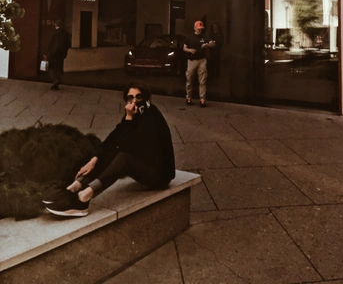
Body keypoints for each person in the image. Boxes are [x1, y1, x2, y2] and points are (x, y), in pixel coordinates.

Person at [44, 83, 175, 217]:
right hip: (144, 164)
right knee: (110, 150)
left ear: (146, 98)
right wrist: (93, 160)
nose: (134, 101)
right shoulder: (137, 113)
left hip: (159, 176)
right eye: (130, 97)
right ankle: (74, 188)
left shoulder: (151, 117)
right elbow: (114, 138)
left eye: (138, 97)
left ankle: (84, 197)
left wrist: (129, 118)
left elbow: (127, 145)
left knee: (122, 156)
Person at [183, 20, 215, 107]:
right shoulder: (189, 37)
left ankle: (202, 99)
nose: (200, 30)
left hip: (202, 60)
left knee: (202, 80)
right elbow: (184, 48)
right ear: (194, 28)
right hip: (192, 60)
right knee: (189, 79)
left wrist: (208, 45)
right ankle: (188, 97)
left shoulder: (205, 36)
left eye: (201, 29)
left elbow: (212, 43)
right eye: (198, 29)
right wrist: (190, 50)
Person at [44, 19, 71, 90]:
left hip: (53, 54)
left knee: (51, 68)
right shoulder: (66, 33)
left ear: (55, 25)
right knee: (58, 68)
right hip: (61, 55)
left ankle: (56, 80)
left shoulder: (55, 33)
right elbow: (68, 44)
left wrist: (47, 53)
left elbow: (51, 44)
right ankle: (57, 83)